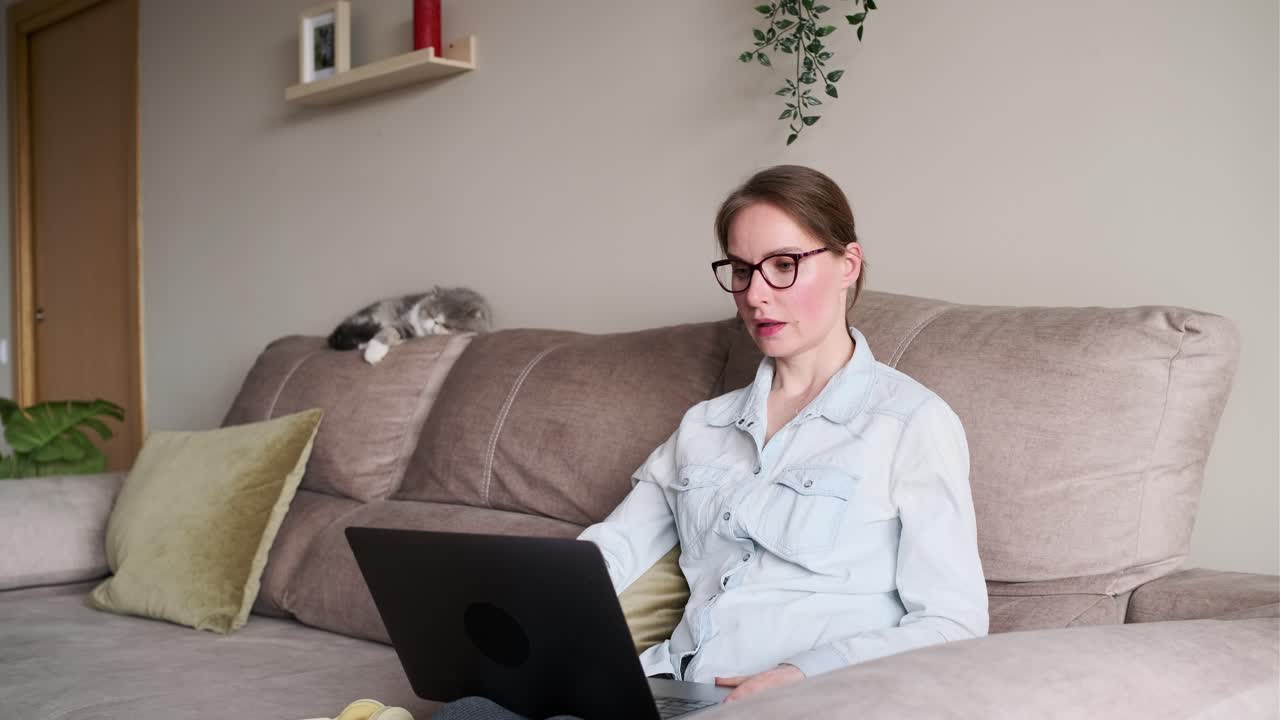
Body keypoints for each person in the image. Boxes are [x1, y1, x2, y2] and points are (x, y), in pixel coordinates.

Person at [432, 165, 988, 719]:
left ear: (848, 265)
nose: (755, 295)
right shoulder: (704, 428)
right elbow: (607, 556)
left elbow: (953, 621)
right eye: (742, 270)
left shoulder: (910, 423)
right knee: (468, 712)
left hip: (804, 702)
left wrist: (803, 674)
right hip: (672, 691)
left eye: (784, 265)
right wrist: (509, 625)